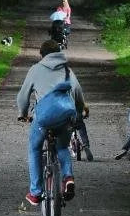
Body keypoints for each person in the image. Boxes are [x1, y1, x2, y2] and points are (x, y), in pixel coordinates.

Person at [16, 40, 85, 205]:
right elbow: (77, 91)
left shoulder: (35, 69)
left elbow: (23, 97)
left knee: (34, 148)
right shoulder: (67, 70)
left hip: (44, 118)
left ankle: (35, 192)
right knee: (62, 147)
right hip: (65, 116)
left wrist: (23, 114)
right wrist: (79, 112)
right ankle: (68, 178)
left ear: (42, 55)